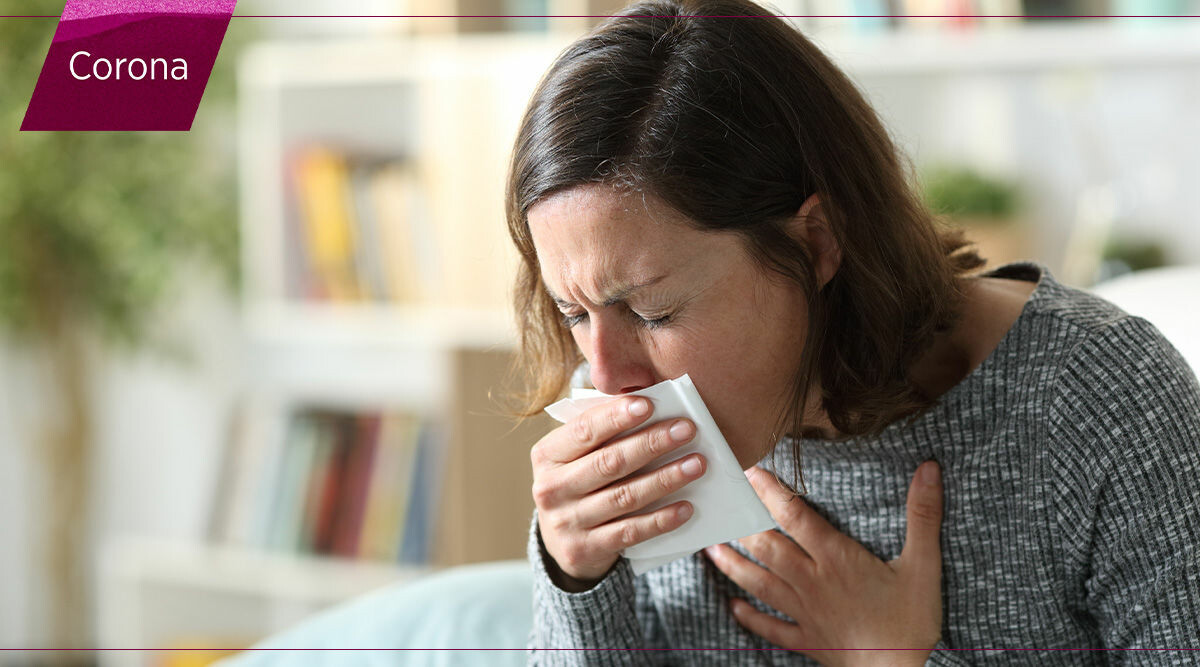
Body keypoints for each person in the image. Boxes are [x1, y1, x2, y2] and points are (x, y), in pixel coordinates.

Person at [502, 0, 1200, 664]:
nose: (606, 377)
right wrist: (576, 578)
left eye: (653, 312)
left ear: (816, 242)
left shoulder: (1097, 400)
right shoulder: (623, 423)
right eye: (574, 313)